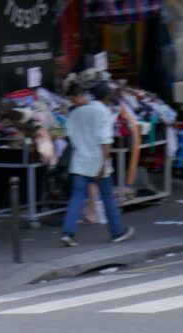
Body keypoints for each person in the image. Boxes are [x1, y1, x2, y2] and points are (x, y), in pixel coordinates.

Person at [60, 82, 135, 247]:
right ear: (106, 97)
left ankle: (68, 232)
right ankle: (117, 231)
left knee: (77, 197)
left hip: (79, 161)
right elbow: (106, 141)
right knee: (108, 197)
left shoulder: (76, 112)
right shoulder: (103, 112)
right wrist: (103, 164)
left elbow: (70, 135)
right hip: (98, 162)